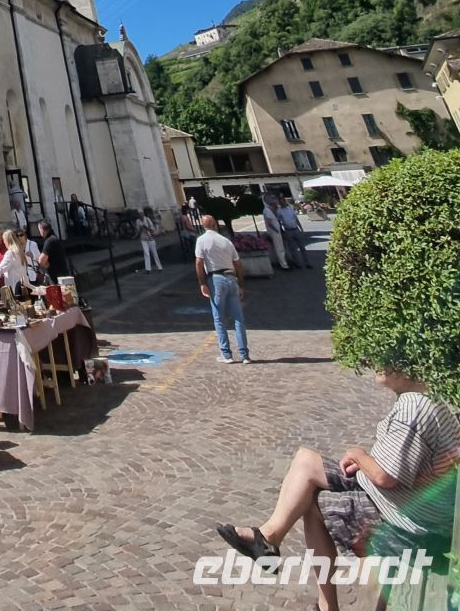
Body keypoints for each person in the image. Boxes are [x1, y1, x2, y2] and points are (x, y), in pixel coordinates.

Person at [215, 366, 460, 611]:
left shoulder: (414, 407)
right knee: (305, 460)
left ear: (408, 366)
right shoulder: (422, 400)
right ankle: (269, 536)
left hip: (412, 521)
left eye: (383, 355)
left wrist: (359, 455)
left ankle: (326, 606)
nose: (374, 362)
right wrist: (363, 463)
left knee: (313, 504)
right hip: (407, 501)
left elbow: (385, 477)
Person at [194, 213, 250, 364]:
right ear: (216, 225)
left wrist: (202, 283)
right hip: (232, 278)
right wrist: (241, 284)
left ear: (203, 226)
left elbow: (199, 263)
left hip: (216, 279)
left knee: (219, 319)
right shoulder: (226, 241)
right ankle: (244, 355)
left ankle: (226, 354)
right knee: (239, 318)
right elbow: (238, 263)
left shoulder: (201, 240)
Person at [0, 227, 29, 295]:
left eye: (4, 240)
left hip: (15, 286)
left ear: (7, 240)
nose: (3, 242)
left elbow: (1, 268)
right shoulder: (19, 250)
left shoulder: (10, 253)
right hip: (23, 284)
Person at [278, 197, 309, 268]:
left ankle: (307, 263)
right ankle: (298, 263)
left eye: (283, 201)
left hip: (295, 229)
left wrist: (301, 227)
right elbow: (279, 221)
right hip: (288, 230)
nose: (282, 203)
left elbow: (296, 218)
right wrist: (282, 231)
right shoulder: (279, 211)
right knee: (293, 248)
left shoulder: (290, 208)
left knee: (302, 247)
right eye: (280, 202)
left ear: (285, 202)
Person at [262, 197, 290, 270]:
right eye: (276, 207)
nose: (276, 208)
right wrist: (276, 230)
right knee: (279, 248)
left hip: (275, 231)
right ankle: (284, 264)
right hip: (274, 232)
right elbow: (269, 222)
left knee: (278, 247)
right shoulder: (267, 211)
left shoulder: (269, 211)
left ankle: (282, 262)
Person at [139, 207, 162, 272]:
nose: (141, 215)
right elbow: (137, 231)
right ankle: (148, 269)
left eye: (141, 213)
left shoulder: (147, 220)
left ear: (143, 214)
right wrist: (140, 229)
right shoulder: (138, 221)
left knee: (154, 253)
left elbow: (152, 229)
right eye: (139, 214)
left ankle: (159, 267)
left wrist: (146, 228)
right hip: (143, 239)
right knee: (146, 253)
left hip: (150, 238)